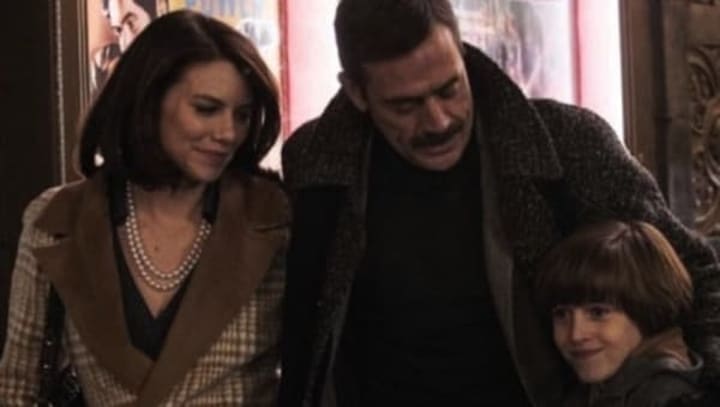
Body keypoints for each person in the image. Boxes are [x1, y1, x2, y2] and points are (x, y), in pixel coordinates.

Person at [278, 0, 720, 406]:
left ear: (463, 55)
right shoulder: (316, 165)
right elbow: (303, 336)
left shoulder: (568, 143)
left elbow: (698, 274)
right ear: (357, 93)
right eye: (405, 106)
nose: (438, 120)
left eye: (449, 89)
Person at [0, 10, 286, 406]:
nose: (228, 132)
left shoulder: (275, 218)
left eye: (242, 115)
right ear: (148, 102)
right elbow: (18, 387)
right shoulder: (57, 219)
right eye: (206, 108)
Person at [535, 220, 702, 406]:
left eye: (598, 313)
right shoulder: (600, 387)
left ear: (647, 308)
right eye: (561, 314)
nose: (576, 334)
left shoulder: (665, 397)